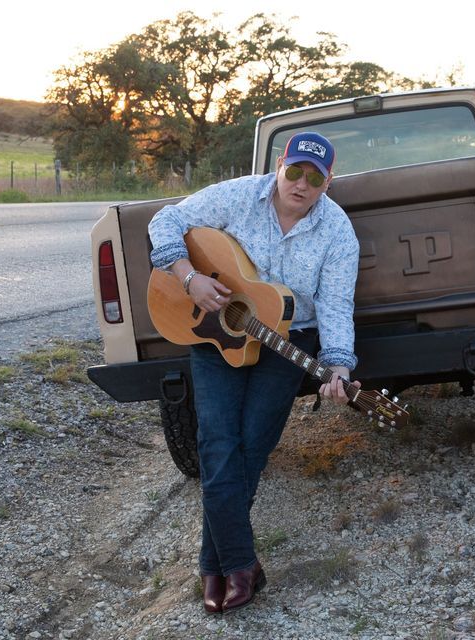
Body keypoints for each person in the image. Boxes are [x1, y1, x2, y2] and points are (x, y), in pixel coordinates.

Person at [147, 131, 360, 613]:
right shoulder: (242, 195)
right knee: (216, 443)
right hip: (216, 330)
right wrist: (190, 277)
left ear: (328, 183)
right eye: (295, 171)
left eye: (315, 178)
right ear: (280, 165)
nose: (301, 184)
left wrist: (340, 364)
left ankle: (213, 565)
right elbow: (168, 219)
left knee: (252, 446)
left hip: (289, 341)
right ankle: (241, 566)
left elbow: (335, 302)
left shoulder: (337, 231)